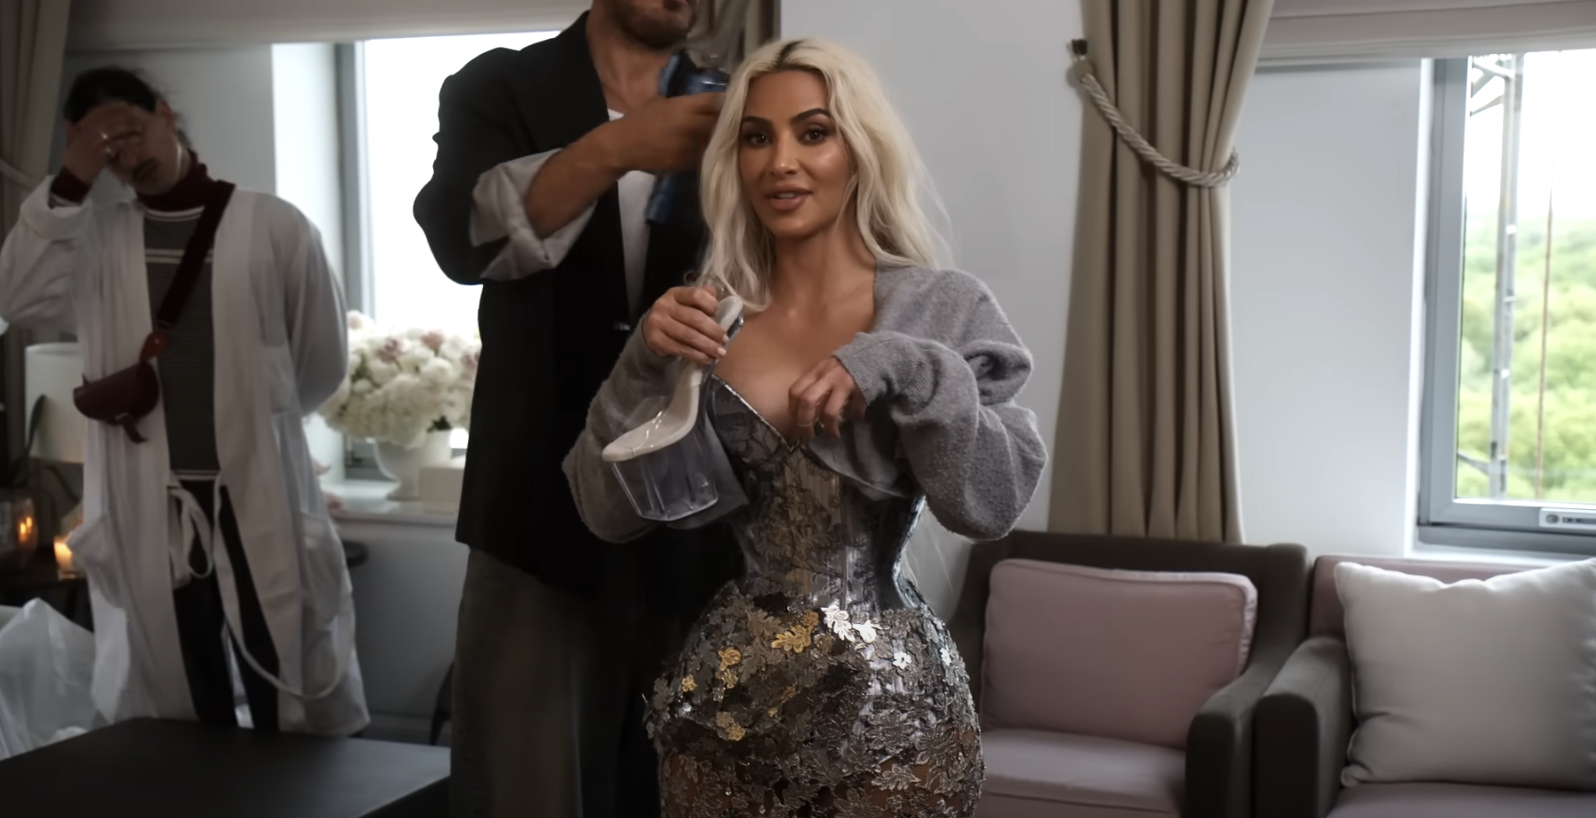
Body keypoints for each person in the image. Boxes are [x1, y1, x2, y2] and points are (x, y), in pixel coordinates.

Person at [565, 38, 1049, 817]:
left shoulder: (943, 309)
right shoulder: (707, 316)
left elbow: (987, 506)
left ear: (859, 148)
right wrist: (641, 364)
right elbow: (606, 514)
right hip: (725, 709)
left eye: (812, 132)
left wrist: (909, 366)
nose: (779, 161)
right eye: (756, 137)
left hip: (898, 712)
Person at [412, 2, 743, 816]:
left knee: (685, 782)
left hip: (699, 506)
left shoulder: (734, 100)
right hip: (534, 500)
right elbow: (463, 235)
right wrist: (618, 146)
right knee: (526, 781)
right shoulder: (502, 85)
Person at [0, 67, 366, 735]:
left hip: (256, 491)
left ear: (167, 115)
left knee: (283, 671)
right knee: (175, 687)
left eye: (133, 133)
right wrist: (72, 181)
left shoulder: (274, 226)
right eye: (107, 151)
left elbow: (319, 361)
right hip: (148, 500)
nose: (127, 157)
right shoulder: (96, 241)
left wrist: (262, 424)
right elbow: (17, 297)